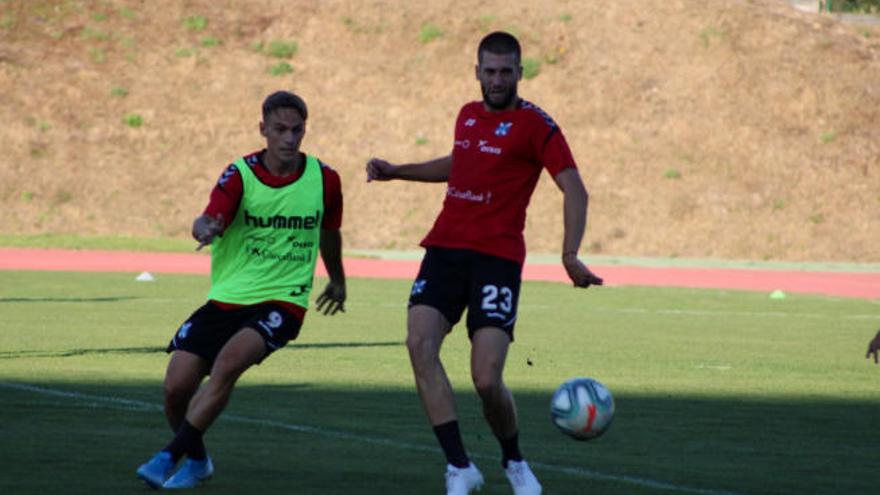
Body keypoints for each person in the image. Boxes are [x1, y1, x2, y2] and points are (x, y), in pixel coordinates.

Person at [365, 31, 603, 495]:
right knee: (419, 343)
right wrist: (398, 172)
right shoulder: (468, 115)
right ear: (477, 72)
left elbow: (574, 188)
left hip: (497, 259)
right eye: (489, 71)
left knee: (487, 377)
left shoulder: (539, 127)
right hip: (445, 250)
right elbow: (460, 164)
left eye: (505, 71)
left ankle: (514, 461)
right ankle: (459, 466)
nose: (496, 80)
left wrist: (569, 253)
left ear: (520, 72)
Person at [136, 90, 346, 489]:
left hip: (284, 301)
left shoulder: (325, 179)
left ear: (305, 130)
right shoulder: (239, 174)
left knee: (229, 363)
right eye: (280, 129)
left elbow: (329, 232)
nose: (288, 138)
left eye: (296, 130)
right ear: (262, 129)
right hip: (227, 299)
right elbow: (210, 216)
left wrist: (337, 279)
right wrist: (205, 228)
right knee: (174, 388)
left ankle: (168, 456)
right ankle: (198, 462)